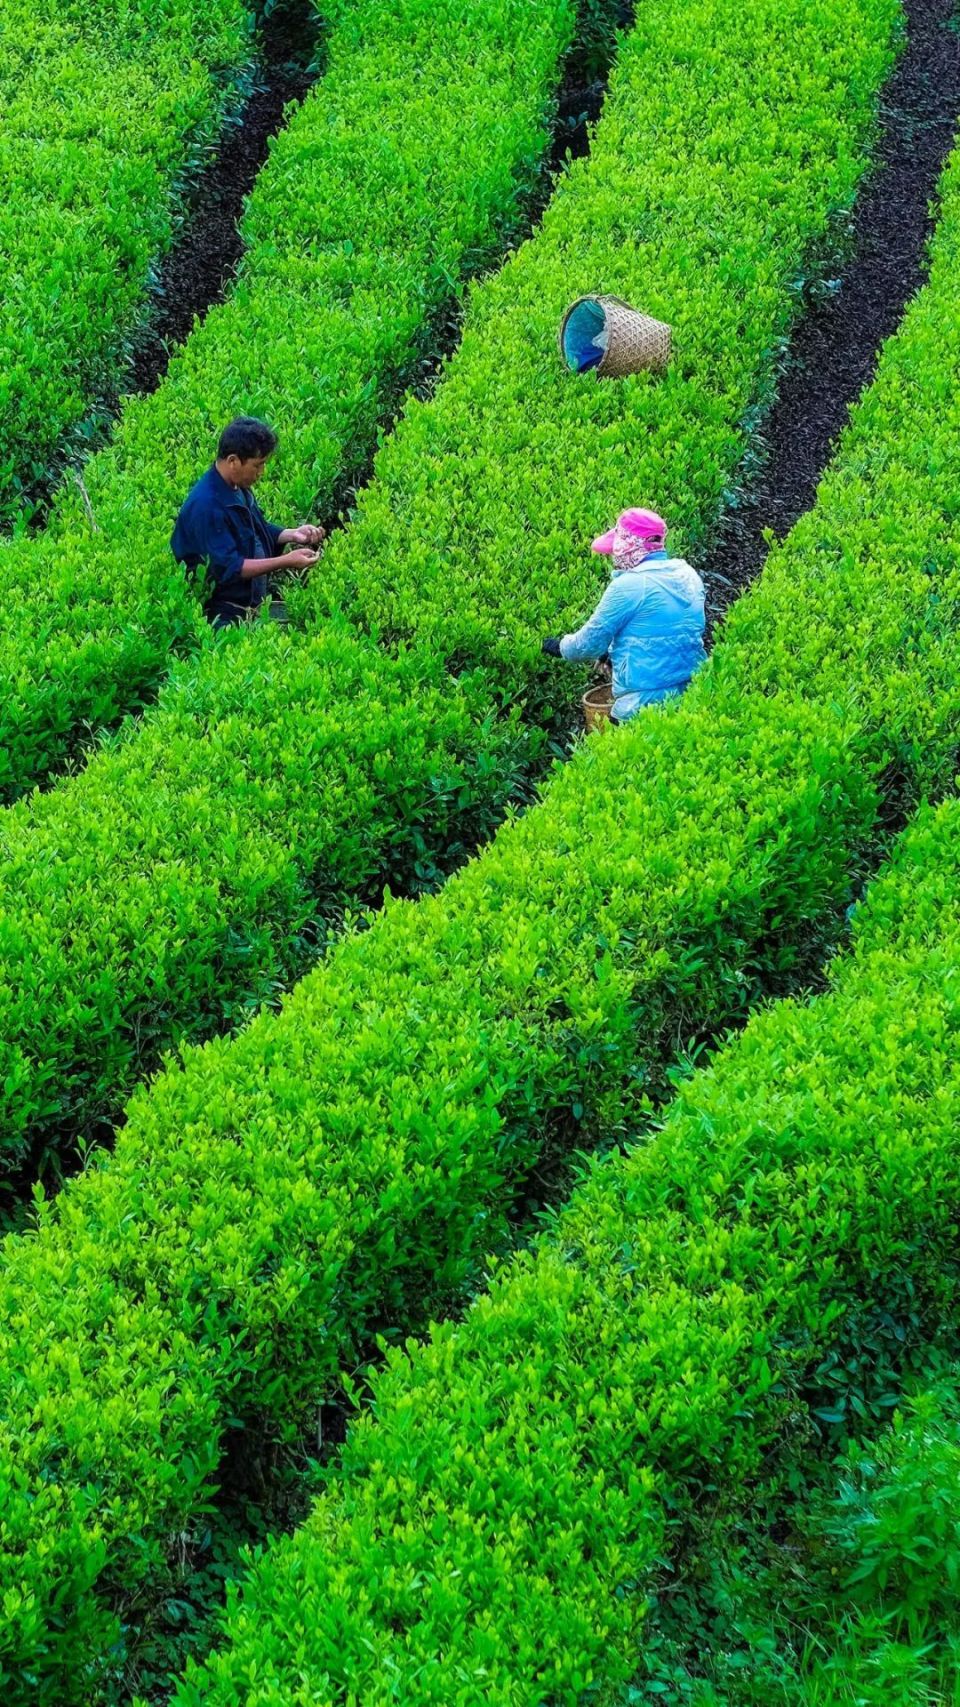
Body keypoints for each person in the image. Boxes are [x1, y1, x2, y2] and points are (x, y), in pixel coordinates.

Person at [542, 507, 705, 722]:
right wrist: (611, 654)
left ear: (627, 547)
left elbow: (587, 644)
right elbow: (660, 627)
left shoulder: (629, 585)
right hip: (693, 689)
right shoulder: (686, 573)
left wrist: (558, 646)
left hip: (642, 704)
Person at [171, 416, 325, 628]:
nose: (261, 473)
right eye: (257, 465)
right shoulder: (207, 506)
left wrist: (292, 533)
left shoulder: (237, 487)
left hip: (250, 609)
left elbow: (254, 532)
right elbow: (230, 566)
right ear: (233, 461)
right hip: (223, 618)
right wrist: (287, 560)